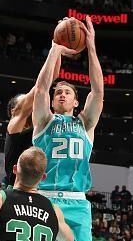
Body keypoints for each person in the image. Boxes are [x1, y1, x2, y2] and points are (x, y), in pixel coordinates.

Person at [32, 15, 104, 241]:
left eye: (67, 92)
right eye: (58, 93)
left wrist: (91, 47)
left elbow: (98, 92)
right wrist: (55, 48)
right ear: (53, 102)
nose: (61, 94)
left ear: (76, 102)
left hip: (77, 201)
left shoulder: (86, 123)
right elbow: (41, 89)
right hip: (45, 198)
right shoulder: (44, 121)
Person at [4, 58, 61, 187]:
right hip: (16, 190)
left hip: (38, 190)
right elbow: (41, 88)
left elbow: (54, 74)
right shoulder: (14, 126)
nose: (31, 103)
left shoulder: (40, 128)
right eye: (26, 101)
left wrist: (59, 50)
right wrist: (54, 49)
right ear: (14, 110)